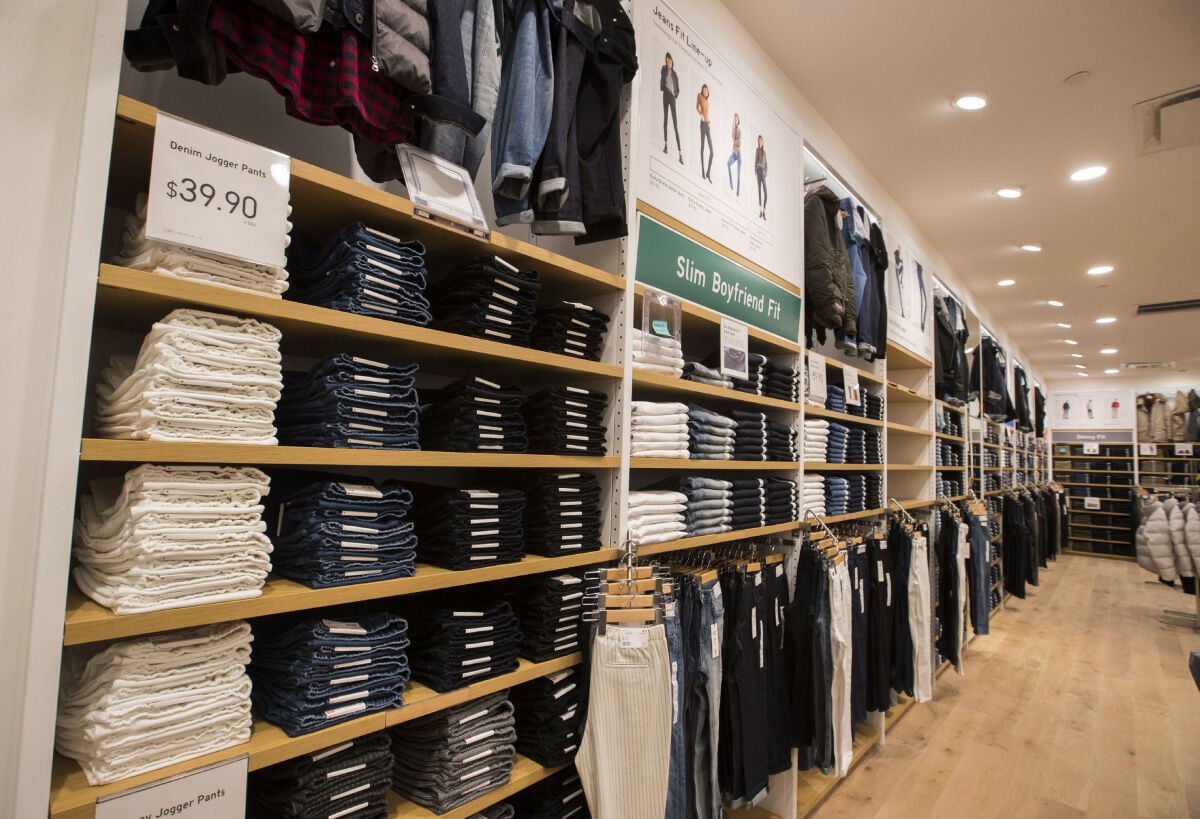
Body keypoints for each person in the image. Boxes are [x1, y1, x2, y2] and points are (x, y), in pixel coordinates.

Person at [660, 53, 682, 164]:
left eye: (670, 61)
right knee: (665, 121)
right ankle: (665, 145)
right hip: (665, 95)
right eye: (667, 61)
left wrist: (675, 94)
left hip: (672, 97)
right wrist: (664, 88)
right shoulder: (664, 69)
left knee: (675, 125)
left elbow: (678, 88)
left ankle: (680, 154)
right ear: (666, 61)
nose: (669, 62)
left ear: (672, 62)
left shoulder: (675, 74)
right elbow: (662, 80)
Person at [696, 84, 713, 182]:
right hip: (702, 124)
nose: (705, 91)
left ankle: (708, 173)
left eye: (707, 90)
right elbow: (697, 107)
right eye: (704, 89)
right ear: (702, 90)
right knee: (702, 147)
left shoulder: (707, 101)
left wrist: (709, 120)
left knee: (712, 152)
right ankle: (702, 169)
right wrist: (700, 115)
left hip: (707, 125)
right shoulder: (699, 96)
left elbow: (707, 113)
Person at [726, 113, 741, 195]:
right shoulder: (735, 129)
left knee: (738, 175)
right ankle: (731, 185)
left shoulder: (739, 130)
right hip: (734, 152)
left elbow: (739, 142)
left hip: (738, 154)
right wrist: (732, 126)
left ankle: (737, 193)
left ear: (738, 121)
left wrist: (734, 141)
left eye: (736, 119)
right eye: (734, 118)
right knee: (728, 163)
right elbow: (732, 136)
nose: (735, 120)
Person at [754, 135, 768, 218]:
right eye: (758, 141)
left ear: (762, 142)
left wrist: (766, 172)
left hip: (762, 172)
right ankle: (760, 211)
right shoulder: (757, 150)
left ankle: (764, 211)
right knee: (759, 191)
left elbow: (766, 164)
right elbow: (755, 161)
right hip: (758, 171)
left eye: (760, 141)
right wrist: (755, 172)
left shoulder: (764, 152)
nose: (759, 142)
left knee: (765, 193)